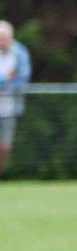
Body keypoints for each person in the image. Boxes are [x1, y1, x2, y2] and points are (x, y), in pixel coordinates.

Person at [0, 21, 32, 177]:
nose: (2, 41)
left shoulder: (19, 53)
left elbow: (22, 77)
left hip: (9, 107)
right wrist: (5, 79)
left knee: (5, 146)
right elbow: (9, 78)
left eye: (4, 38)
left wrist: (5, 82)